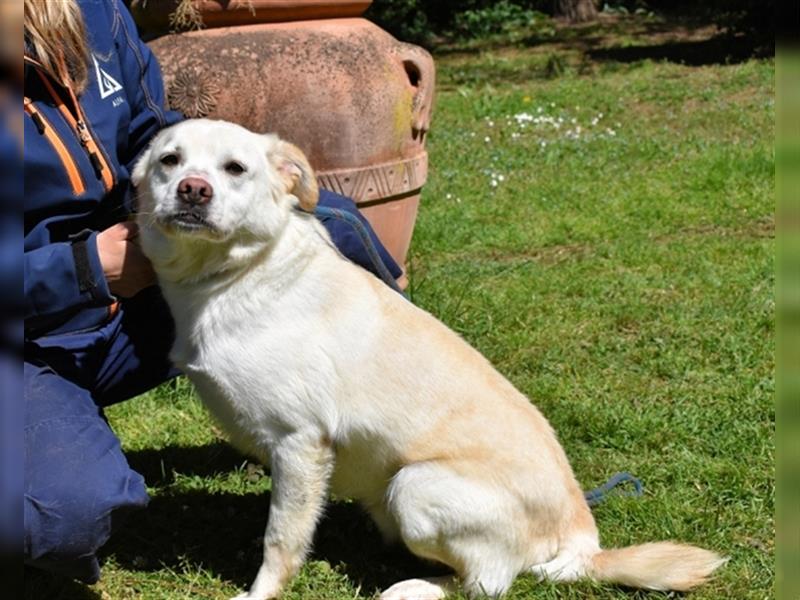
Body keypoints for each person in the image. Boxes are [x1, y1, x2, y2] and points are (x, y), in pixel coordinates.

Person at [23, 0, 401, 584]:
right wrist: (83, 267)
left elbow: (154, 136)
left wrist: (214, 180)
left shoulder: (95, 11)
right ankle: (48, 424)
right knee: (65, 516)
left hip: (133, 293)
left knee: (334, 226)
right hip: (28, 337)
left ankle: (421, 432)